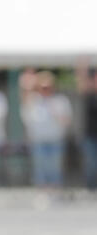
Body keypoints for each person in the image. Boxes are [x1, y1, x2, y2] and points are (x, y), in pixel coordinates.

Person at [20, 70, 72, 188]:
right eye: (43, 87)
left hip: (55, 140)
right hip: (39, 140)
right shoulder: (33, 101)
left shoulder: (60, 101)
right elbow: (25, 113)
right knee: (40, 168)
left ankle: (54, 191)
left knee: (55, 168)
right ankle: (42, 193)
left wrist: (55, 113)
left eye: (48, 87)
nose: (45, 90)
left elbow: (67, 121)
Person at [75, 60, 97, 190]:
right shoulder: (88, 95)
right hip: (90, 135)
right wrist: (82, 68)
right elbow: (81, 83)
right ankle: (91, 188)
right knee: (91, 164)